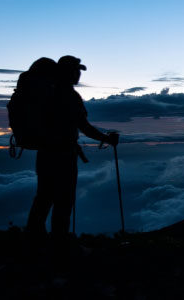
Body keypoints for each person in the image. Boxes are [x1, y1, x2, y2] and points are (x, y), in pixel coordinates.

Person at [26, 55, 119, 237]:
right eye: (75, 70)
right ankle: (59, 247)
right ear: (67, 72)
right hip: (63, 155)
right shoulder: (68, 95)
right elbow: (83, 126)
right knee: (63, 201)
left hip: (45, 153)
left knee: (44, 198)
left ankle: (34, 241)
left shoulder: (48, 93)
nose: (78, 74)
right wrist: (107, 139)